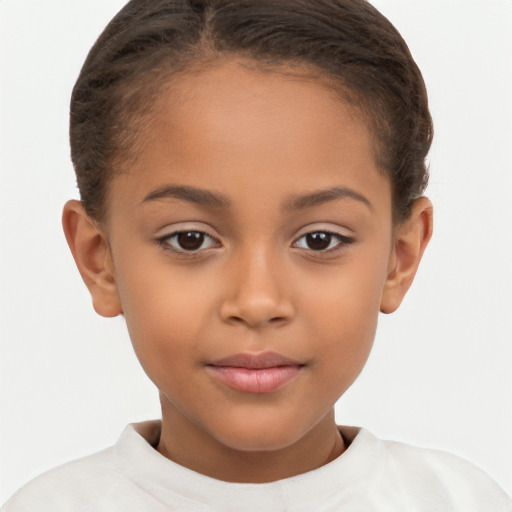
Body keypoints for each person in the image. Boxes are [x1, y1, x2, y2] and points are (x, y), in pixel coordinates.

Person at [2, 0, 511, 510]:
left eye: (319, 239)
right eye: (190, 239)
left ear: (400, 257)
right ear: (100, 259)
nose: (257, 300)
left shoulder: (460, 501)